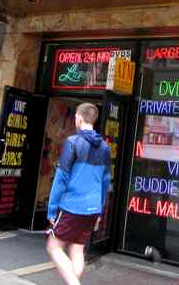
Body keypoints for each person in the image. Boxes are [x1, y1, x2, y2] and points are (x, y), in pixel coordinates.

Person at [46, 103, 110, 285]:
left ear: (78, 119)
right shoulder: (105, 148)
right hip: (93, 208)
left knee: (53, 246)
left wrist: (51, 210)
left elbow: (61, 178)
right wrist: (99, 211)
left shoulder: (72, 142)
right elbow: (105, 183)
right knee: (76, 250)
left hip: (72, 206)